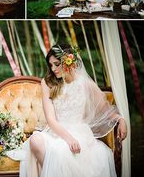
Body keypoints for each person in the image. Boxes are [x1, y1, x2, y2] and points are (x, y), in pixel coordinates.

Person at [9, 44, 127, 177]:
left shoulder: (85, 84)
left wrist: (120, 119)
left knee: (64, 152)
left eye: (56, 64)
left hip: (79, 133)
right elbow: (50, 119)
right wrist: (68, 139)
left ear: (68, 62)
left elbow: (105, 109)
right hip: (56, 132)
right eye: (51, 65)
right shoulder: (48, 83)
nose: (53, 69)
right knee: (35, 140)